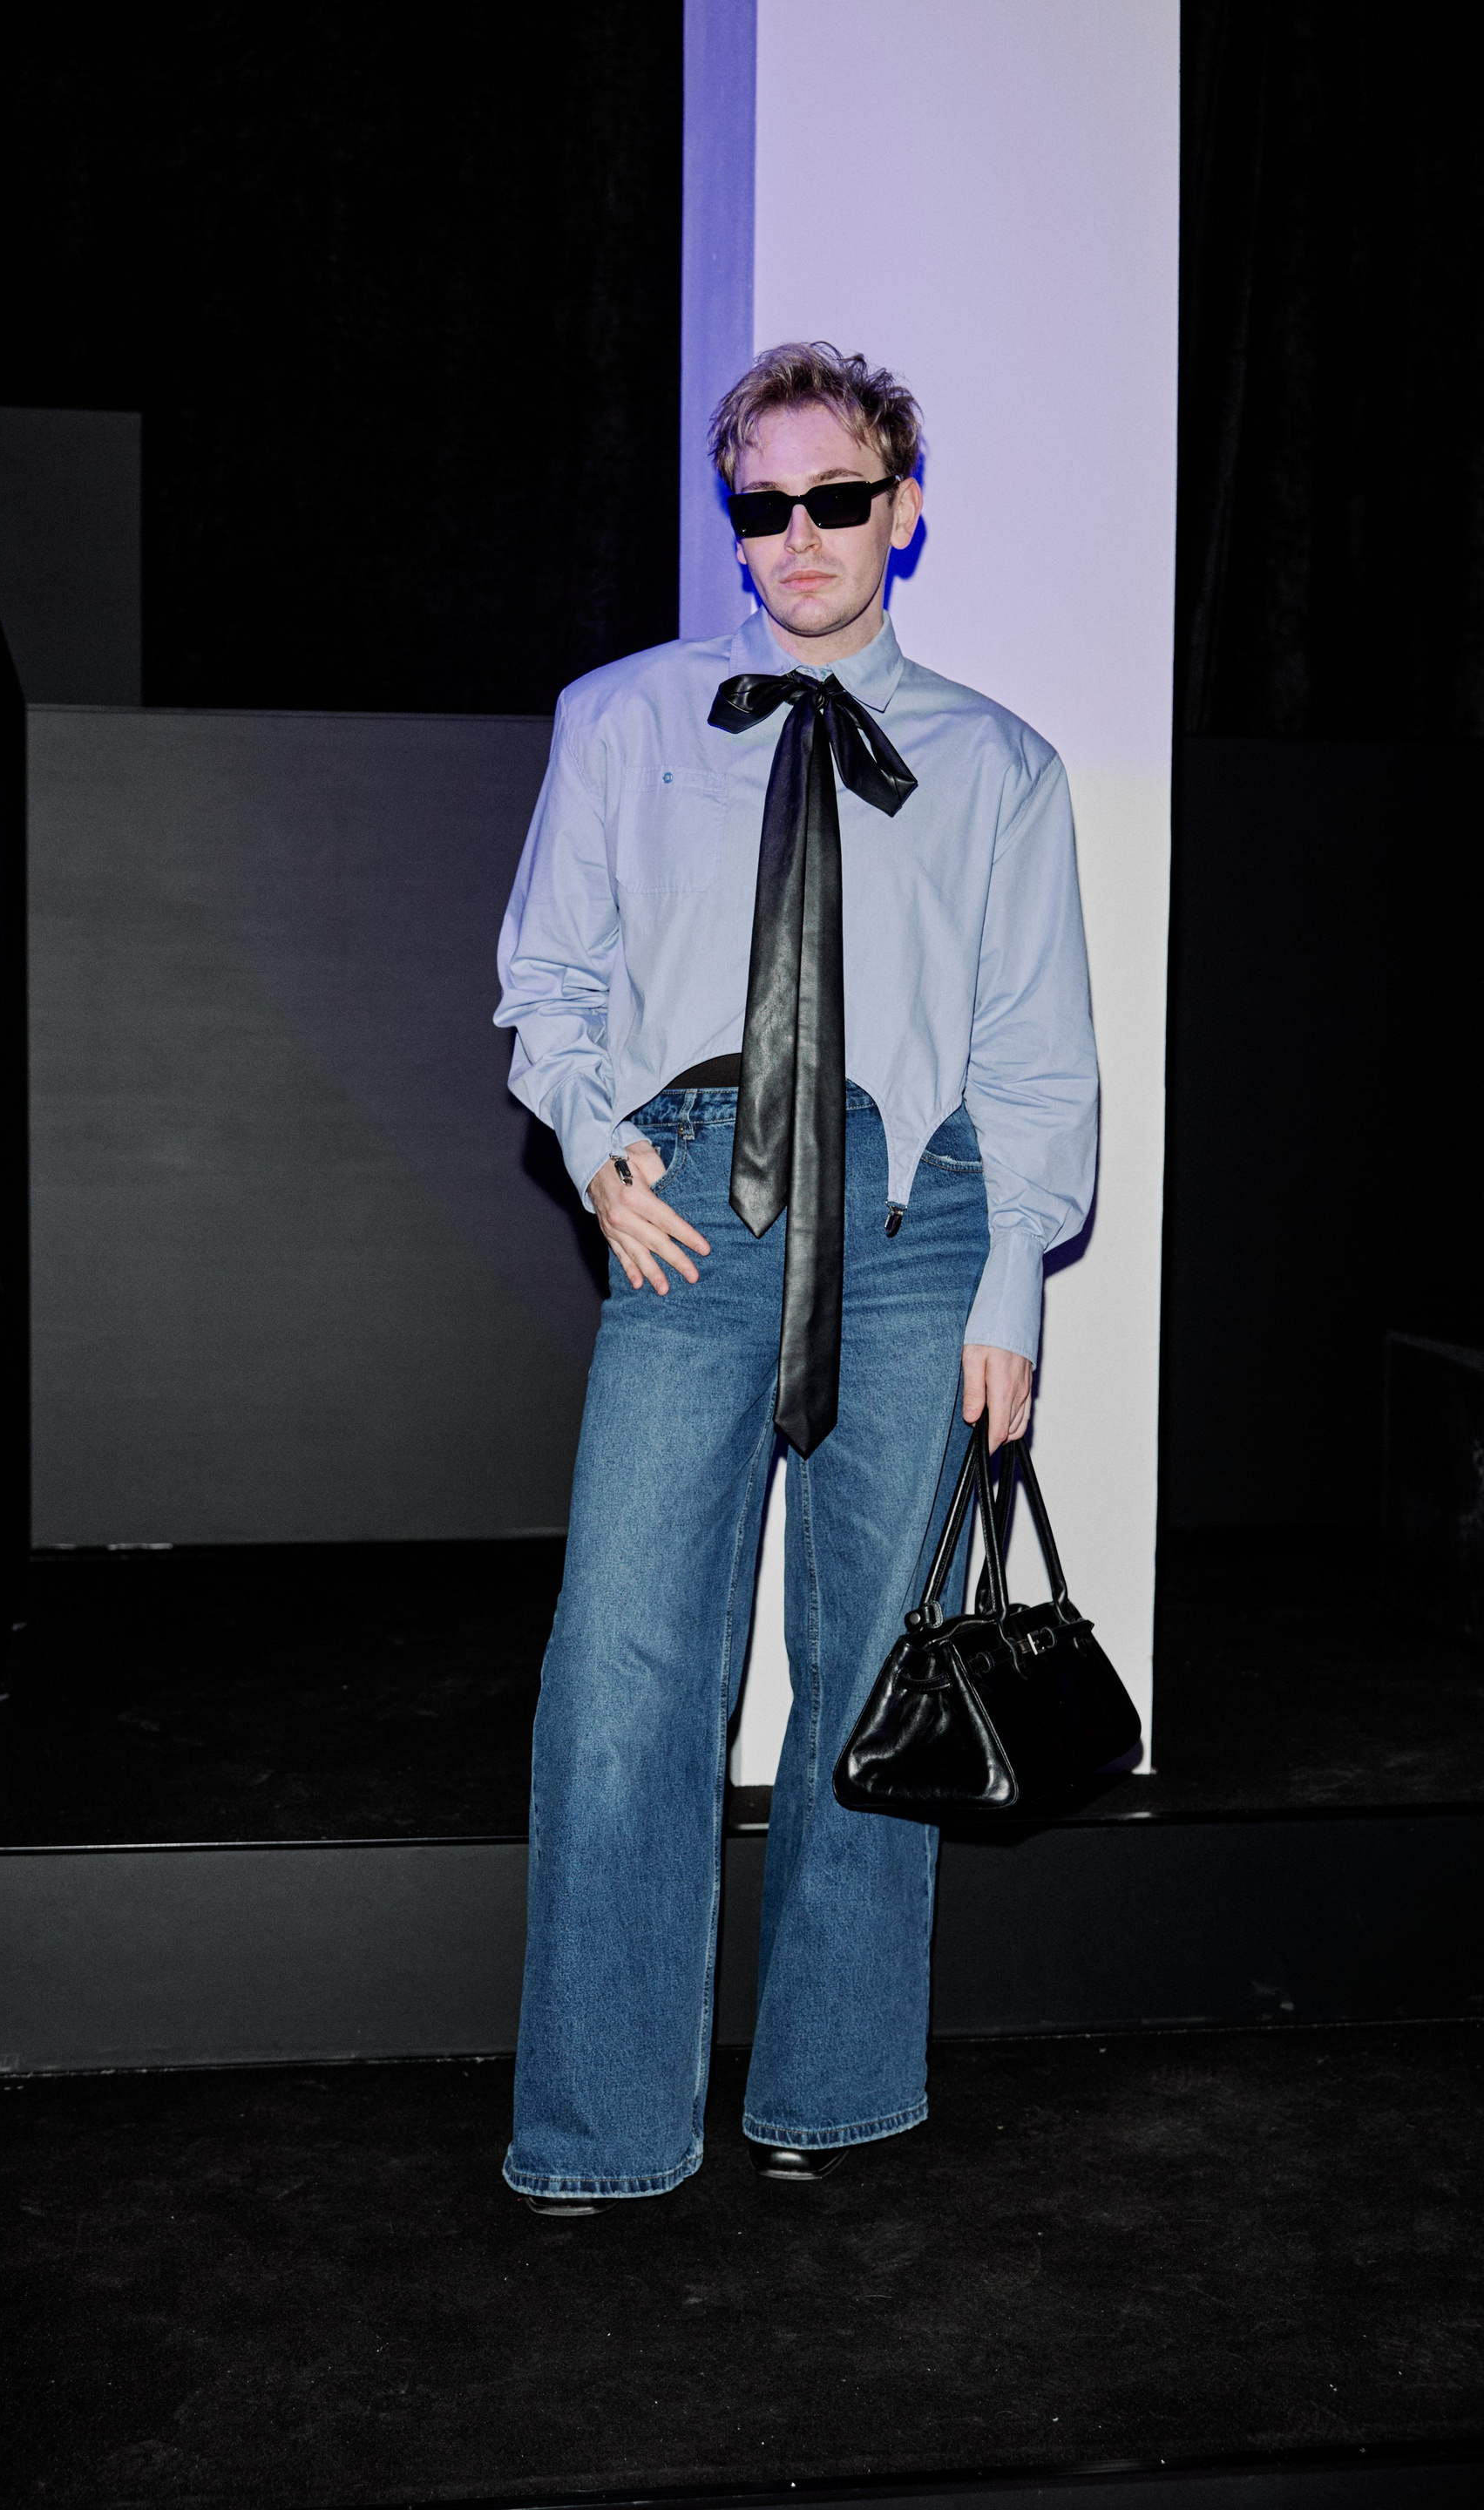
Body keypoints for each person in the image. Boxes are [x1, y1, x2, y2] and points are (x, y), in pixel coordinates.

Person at [494, 342, 1096, 2214]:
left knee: (872, 1670)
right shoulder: (622, 719)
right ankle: (604, 2124)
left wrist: (1014, 1283)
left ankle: (835, 2090)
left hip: (917, 1222)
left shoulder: (999, 764)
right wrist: (598, 1147)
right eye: (765, 503)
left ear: (902, 512)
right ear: (736, 521)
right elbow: (548, 980)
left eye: (839, 497)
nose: (801, 534)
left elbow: (1036, 1057)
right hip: (690, 1199)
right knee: (623, 1670)